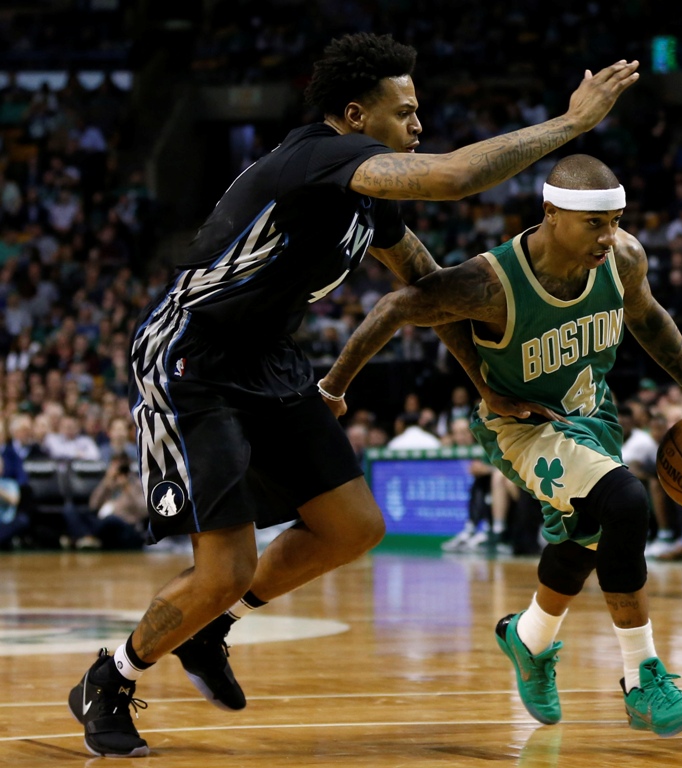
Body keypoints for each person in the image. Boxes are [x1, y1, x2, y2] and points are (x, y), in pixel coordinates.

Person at [67, 33, 640, 758]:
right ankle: (109, 678)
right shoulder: (315, 158)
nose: (418, 124)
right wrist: (568, 126)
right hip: (191, 360)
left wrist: (486, 380)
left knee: (352, 525)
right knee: (225, 568)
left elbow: (426, 288)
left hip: (268, 361)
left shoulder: (365, 201)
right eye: (404, 111)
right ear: (353, 114)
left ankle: (211, 626)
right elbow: (451, 177)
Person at [318, 154, 682, 736]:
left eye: (616, 221)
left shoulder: (623, 258)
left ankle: (528, 639)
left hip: (592, 416)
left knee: (583, 542)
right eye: (594, 224)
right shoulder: (491, 282)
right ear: (551, 213)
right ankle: (642, 678)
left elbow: (649, 320)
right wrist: (333, 389)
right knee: (625, 502)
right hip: (521, 427)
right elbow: (396, 307)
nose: (609, 237)